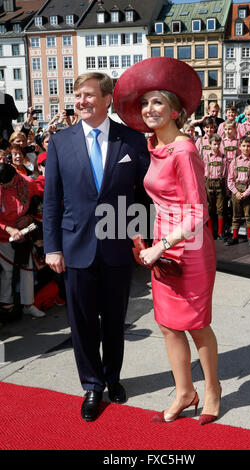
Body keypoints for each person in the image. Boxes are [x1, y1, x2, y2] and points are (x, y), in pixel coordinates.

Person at [113, 57, 220, 426]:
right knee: (168, 324)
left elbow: (196, 213)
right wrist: (145, 234)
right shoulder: (152, 147)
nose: (150, 108)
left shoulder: (184, 151)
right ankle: (184, 390)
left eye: (158, 102)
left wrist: (161, 245)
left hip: (188, 250)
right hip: (162, 246)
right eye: (145, 103)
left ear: (175, 111)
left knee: (196, 323)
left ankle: (211, 390)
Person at [43, 72, 150, 422]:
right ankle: (92, 385)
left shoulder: (132, 142)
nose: (81, 101)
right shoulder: (60, 142)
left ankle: (113, 377)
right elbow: (51, 201)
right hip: (75, 248)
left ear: (107, 100)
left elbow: (145, 197)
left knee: (115, 321)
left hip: (117, 248)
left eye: (88, 94)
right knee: (83, 323)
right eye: (77, 95)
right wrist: (52, 248)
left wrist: (142, 238)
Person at [0, 163, 45, 321]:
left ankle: (29, 304)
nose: (6, 186)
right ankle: (7, 305)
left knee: (27, 269)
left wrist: (30, 218)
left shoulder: (26, 182)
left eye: (8, 183)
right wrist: (9, 229)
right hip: (4, 235)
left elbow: (41, 202)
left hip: (26, 231)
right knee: (8, 272)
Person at [226, 136, 250, 247]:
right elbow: (229, 180)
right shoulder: (234, 162)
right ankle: (234, 236)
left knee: (249, 215)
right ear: (239, 147)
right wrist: (236, 192)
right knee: (236, 215)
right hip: (237, 191)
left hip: (248, 191)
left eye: (248, 146)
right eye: (243, 146)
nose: (246, 148)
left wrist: (246, 193)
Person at [203, 134, 228, 239]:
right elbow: (202, 172)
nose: (216, 146)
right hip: (208, 183)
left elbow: (226, 173)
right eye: (214, 144)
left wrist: (226, 188)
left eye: (218, 144)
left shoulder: (223, 157)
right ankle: (210, 231)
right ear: (210, 145)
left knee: (220, 209)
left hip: (220, 183)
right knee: (209, 208)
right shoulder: (206, 157)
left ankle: (220, 231)